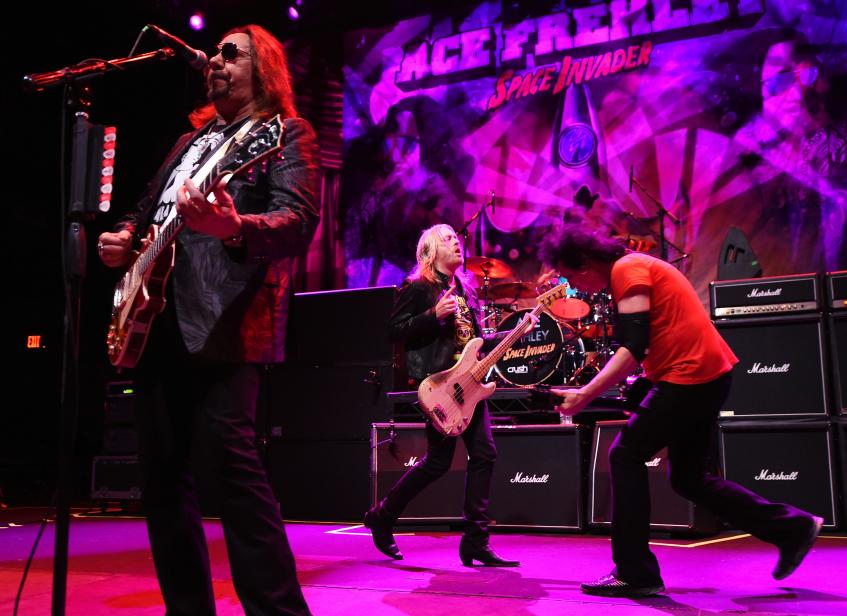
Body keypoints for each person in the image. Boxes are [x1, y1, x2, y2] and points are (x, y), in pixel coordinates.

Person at [97, 25, 319, 615]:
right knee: (162, 482)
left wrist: (235, 227)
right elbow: (146, 211)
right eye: (215, 53)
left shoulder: (285, 133)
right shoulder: (186, 141)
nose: (215, 62)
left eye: (230, 53)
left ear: (262, 69)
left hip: (226, 321)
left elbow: (297, 221)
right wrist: (125, 238)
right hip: (155, 321)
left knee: (234, 475)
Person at [540, 224, 822, 598]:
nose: (574, 287)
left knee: (625, 454)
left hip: (690, 376)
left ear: (586, 264)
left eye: (571, 277)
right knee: (688, 479)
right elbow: (654, 340)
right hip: (706, 375)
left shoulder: (627, 269)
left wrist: (586, 394)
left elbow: (634, 346)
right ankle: (792, 528)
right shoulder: (635, 267)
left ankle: (635, 573)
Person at [364, 224, 530, 566]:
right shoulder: (418, 287)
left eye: (457, 238)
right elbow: (394, 330)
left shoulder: (467, 292)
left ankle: (475, 542)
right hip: (440, 386)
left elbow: (478, 343)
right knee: (438, 463)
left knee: (484, 454)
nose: (457, 243)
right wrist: (432, 315)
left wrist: (515, 332)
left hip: (470, 386)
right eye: (448, 239)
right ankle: (382, 515)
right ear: (430, 251)